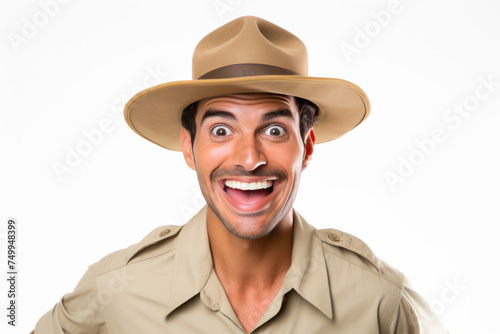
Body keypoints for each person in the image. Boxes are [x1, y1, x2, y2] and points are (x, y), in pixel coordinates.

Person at [34, 16, 447, 333]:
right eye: (220, 130)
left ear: (306, 147)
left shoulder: (381, 300)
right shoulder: (118, 289)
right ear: (188, 147)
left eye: (273, 130)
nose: (249, 159)